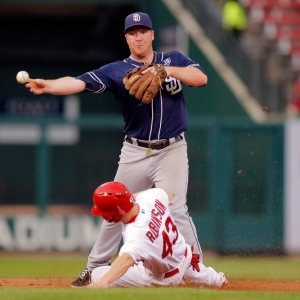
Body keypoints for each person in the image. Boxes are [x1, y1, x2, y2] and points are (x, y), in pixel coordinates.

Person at [25, 12, 216, 287]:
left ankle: (195, 269)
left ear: (152, 34)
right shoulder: (116, 70)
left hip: (171, 149)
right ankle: (94, 267)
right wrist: (50, 86)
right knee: (113, 207)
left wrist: (166, 71)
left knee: (176, 210)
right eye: (132, 32)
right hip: (135, 151)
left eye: (143, 31)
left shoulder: (173, 59)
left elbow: (201, 78)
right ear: (126, 38)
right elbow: (79, 82)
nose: (138, 36)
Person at [86, 181, 227, 288]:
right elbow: (165, 192)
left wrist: (103, 282)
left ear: (111, 215)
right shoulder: (150, 198)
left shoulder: (136, 234)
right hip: (185, 256)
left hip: (164, 277)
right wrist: (126, 200)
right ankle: (215, 279)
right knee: (216, 283)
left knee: (97, 273)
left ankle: (173, 285)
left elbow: (126, 259)